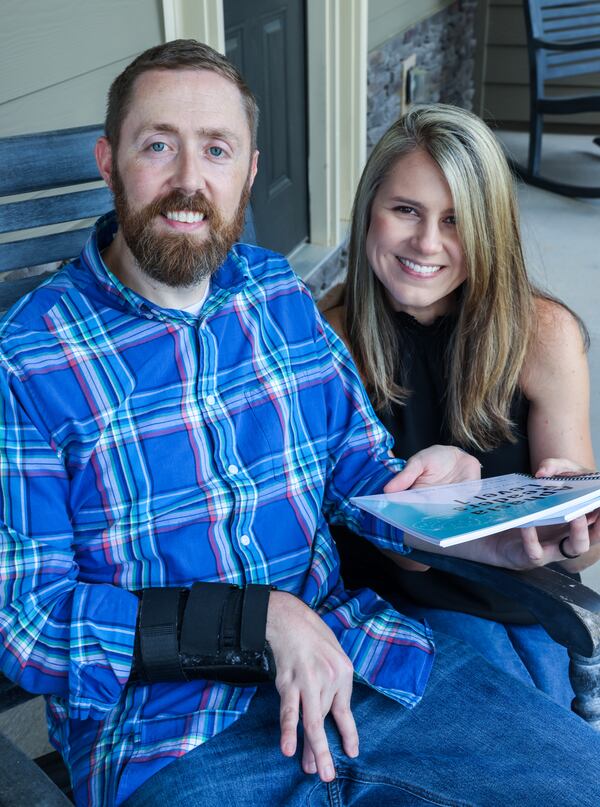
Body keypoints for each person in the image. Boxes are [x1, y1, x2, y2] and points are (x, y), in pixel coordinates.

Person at [0, 41, 599, 807]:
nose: (190, 181)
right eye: (158, 145)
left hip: (367, 670)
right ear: (108, 160)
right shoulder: (28, 359)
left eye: (217, 149)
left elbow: (358, 477)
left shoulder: (279, 295)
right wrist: (250, 622)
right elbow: (28, 622)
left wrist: (458, 508)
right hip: (176, 735)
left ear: (249, 172)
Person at [320, 103, 599, 710]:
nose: (427, 243)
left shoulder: (542, 334)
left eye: (456, 221)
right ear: (369, 209)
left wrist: (576, 526)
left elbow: (581, 537)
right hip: (390, 608)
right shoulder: (327, 340)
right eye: (406, 210)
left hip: (523, 598)